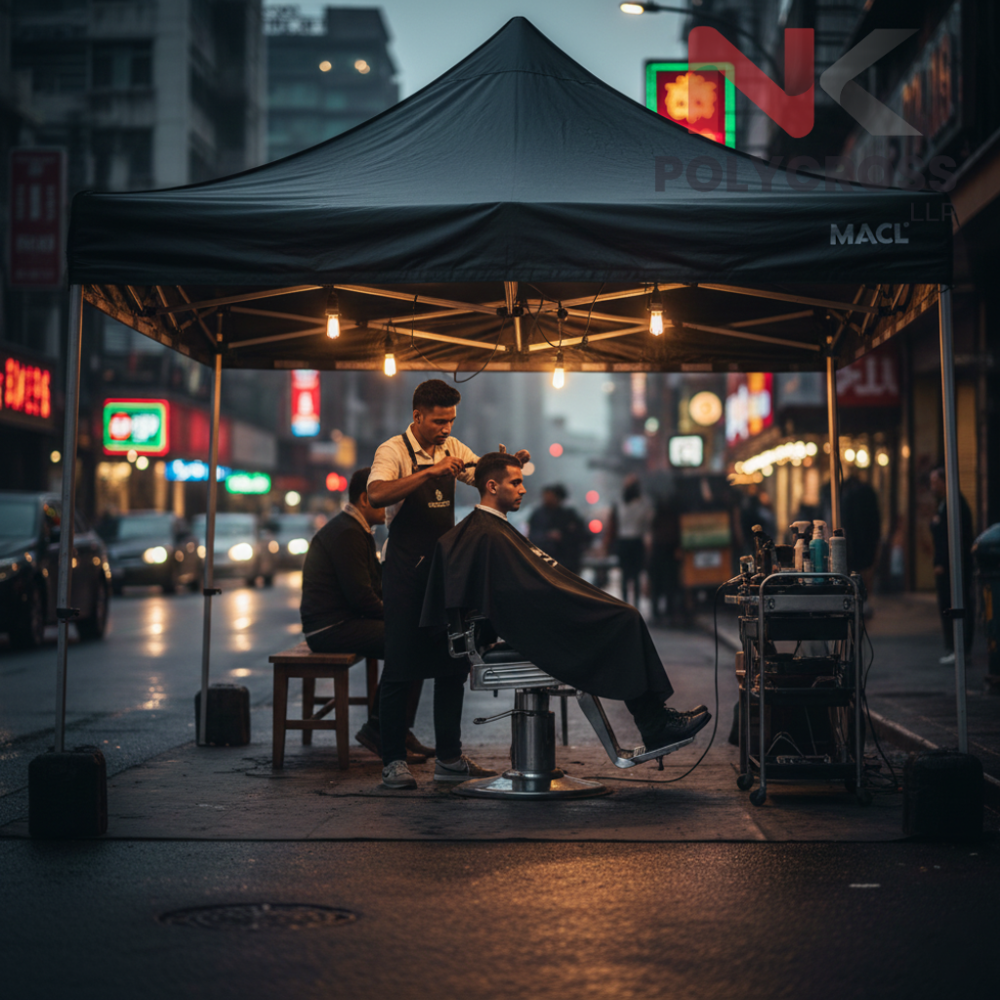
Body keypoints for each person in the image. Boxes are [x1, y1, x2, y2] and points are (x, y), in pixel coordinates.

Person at [421, 453, 710, 771]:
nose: (523, 489)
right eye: (515, 482)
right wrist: (571, 603)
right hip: (529, 628)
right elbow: (516, 594)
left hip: (531, 621)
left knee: (623, 616)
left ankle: (655, 720)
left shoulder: (492, 529)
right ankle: (655, 724)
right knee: (623, 620)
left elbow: (524, 586)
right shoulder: (487, 533)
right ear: (491, 486)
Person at [367, 380, 530, 790]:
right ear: (418, 415)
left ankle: (450, 759)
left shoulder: (453, 448)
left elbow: (481, 476)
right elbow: (376, 495)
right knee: (400, 669)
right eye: (439, 421)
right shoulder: (393, 451)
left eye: (451, 421)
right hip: (404, 574)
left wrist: (508, 465)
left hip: (442, 574)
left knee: (450, 666)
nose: (446, 429)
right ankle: (392, 762)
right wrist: (430, 472)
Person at [299, 468, 432, 763]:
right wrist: (399, 618)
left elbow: (375, 587)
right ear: (364, 498)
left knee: (416, 638)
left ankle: (396, 730)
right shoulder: (347, 533)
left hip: (344, 622)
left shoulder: (356, 529)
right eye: (384, 499)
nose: (389, 506)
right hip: (330, 628)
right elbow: (361, 597)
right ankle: (381, 730)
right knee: (410, 640)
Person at [929, 467, 975, 664]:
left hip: (951, 566)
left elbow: (952, 537)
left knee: (953, 604)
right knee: (948, 605)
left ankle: (958, 648)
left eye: (934, 482)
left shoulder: (953, 504)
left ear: (943, 481)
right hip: (948, 564)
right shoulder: (945, 503)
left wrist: (942, 563)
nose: (932, 487)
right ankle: (953, 647)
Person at [527, 484, 587, 574]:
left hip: (566, 562)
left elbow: (581, 536)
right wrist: (547, 536)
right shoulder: (538, 514)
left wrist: (564, 536)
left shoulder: (569, 515)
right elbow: (532, 536)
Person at [615, 475, 651, 606]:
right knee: (635, 576)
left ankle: (625, 603)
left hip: (624, 541)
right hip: (636, 541)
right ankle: (635, 604)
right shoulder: (643, 503)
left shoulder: (620, 503)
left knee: (625, 576)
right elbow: (647, 521)